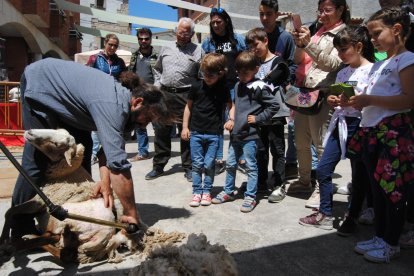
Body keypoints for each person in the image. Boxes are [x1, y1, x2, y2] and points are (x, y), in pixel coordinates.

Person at [11, 58, 172, 238]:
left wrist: (105, 184)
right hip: (41, 83)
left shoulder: (128, 110)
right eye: (147, 119)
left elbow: (107, 151)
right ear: (138, 102)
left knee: (84, 148)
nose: (145, 126)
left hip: (67, 97)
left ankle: (76, 205)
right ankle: (19, 226)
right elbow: (119, 167)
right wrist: (131, 213)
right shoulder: (113, 105)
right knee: (37, 160)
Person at [348, 7, 414, 263]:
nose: (372, 39)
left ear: (396, 29)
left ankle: (391, 242)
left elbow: (409, 99)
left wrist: (369, 99)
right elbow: (370, 98)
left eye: (377, 33)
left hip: (393, 134)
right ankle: (380, 236)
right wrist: (350, 101)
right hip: (372, 132)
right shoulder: (380, 63)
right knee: (377, 191)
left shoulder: (407, 60)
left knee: (392, 191)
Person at [298, 25, 374, 231]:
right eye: (338, 50)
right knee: (323, 168)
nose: (340, 54)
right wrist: (333, 100)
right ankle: (326, 213)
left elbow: (373, 102)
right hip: (340, 123)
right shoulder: (342, 72)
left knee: (358, 174)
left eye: (343, 49)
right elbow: (337, 97)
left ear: (359, 47)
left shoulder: (372, 70)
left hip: (360, 126)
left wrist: (356, 102)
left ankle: (353, 216)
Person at [288, 0, 349, 210]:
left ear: (340, 10)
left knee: (321, 144)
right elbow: (297, 60)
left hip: (324, 94)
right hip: (304, 93)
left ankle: (322, 189)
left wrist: (308, 44)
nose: (322, 14)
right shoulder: (316, 31)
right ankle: (305, 180)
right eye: (320, 10)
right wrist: (299, 43)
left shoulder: (343, 35)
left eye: (328, 10)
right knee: (301, 142)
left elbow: (333, 64)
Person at [211, 51, 279, 213]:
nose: (241, 76)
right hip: (236, 134)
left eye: (245, 73)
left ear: (255, 69)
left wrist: (258, 118)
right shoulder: (237, 85)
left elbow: (274, 105)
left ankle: (250, 196)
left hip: (251, 136)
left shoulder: (259, 87)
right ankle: (228, 191)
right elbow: (235, 105)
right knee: (231, 164)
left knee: (251, 166)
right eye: (238, 73)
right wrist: (231, 119)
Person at [145, 17, 204, 182]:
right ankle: (159, 165)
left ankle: (189, 167)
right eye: (180, 31)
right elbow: (157, 69)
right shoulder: (166, 47)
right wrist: (157, 87)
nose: (183, 35)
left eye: (187, 32)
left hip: (186, 95)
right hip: (165, 94)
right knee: (161, 130)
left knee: (187, 132)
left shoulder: (198, 50)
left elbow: (202, 74)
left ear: (192, 34)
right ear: (175, 31)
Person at [181, 53, 233, 207]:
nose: (207, 77)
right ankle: (197, 191)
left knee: (209, 164)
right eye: (204, 73)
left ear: (220, 73)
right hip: (196, 132)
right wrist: (185, 127)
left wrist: (231, 119)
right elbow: (188, 107)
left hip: (214, 134)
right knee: (197, 164)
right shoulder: (196, 86)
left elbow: (231, 106)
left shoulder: (223, 89)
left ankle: (207, 192)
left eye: (211, 74)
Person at [245, 27, 290, 203]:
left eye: (255, 44)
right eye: (250, 46)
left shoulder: (278, 62)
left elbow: (272, 81)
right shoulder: (253, 64)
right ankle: (261, 182)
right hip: (258, 114)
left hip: (276, 113)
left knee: (277, 149)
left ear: (265, 41)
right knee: (260, 149)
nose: (253, 49)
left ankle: (279, 184)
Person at [201, 7, 247, 175]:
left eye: (218, 21)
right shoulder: (208, 43)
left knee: (237, 123)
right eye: (213, 23)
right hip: (216, 90)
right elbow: (205, 65)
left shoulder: (238, 39)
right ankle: (219, 159)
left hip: (236, 88)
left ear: (226, 21)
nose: (215, 25)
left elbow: (245, 61)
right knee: (217, 124)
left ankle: (240, 158)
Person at [86, 34, 126, 165]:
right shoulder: (95, 58)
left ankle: (109, 153)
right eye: (110, 44)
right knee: (97, 127)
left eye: (115, 45)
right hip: (97, 97)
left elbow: (124, 78)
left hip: (114, 98)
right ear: (105, 44)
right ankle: (93, 154)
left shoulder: (119, 62)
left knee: (113, 126)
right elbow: (86, 76)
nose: (113, 47)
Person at [128, 27, 158, 162]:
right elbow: (130, 75)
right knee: (140, 125)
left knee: (158, 125)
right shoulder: (134, 56)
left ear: (150, 39)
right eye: (141, 39)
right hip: (139, 95)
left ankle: (160, 152)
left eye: (146, 38)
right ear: (138, 40)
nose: (143, 41)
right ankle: (143, 152)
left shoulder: (157, 55)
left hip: (154, 95)